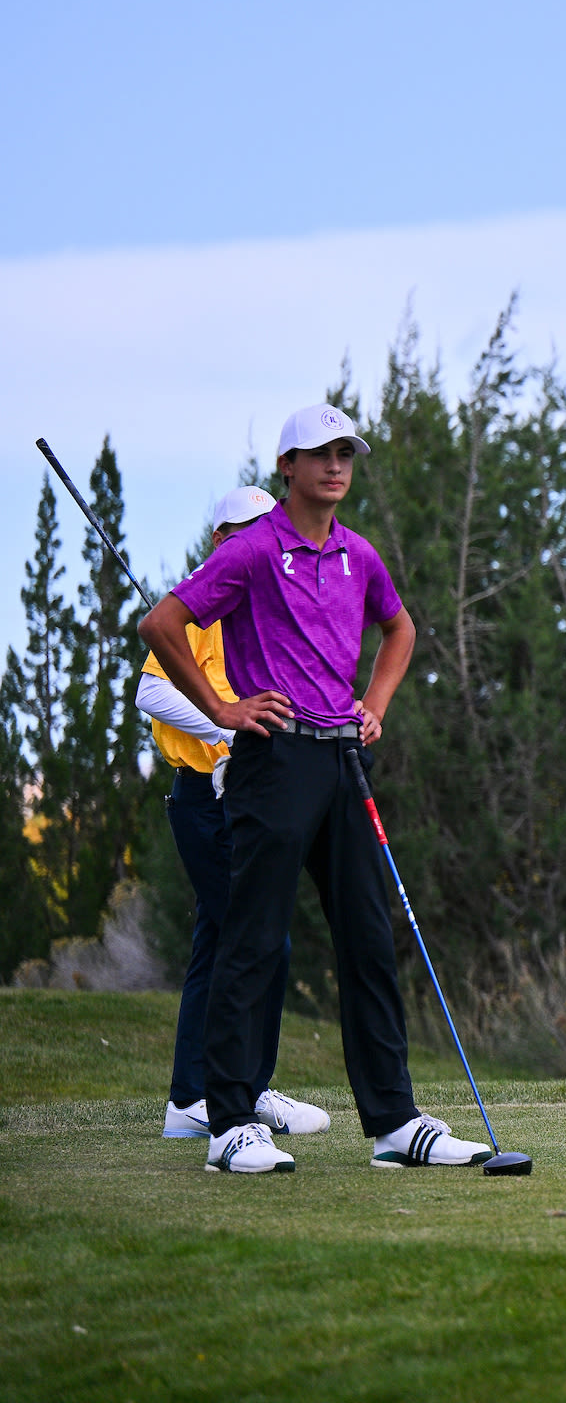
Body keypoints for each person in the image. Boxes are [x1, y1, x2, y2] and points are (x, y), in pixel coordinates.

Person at [137, 402, 491, 1175]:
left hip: (340, 761)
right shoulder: (254, 551)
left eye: (345, 454)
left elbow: (400, 630)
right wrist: (224, 708)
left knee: (367, 938)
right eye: (318, 454)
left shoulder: (359, 556)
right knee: (253, 937)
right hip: (273, 761)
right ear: (286, 468)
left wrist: (376, 705)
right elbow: (162, 623)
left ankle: (393, 1123)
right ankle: (230, 1122)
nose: (335, 466)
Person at [139, 485, 329, 1142]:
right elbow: (150, 691)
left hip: (242, 797)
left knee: (221, 943)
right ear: (222, 542)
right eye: (248, 532)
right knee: (259, 940)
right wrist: (224, 728)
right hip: (202, 797)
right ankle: (236, 1094)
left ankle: (195, 1098)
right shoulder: (202, 605)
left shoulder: (264, 612)